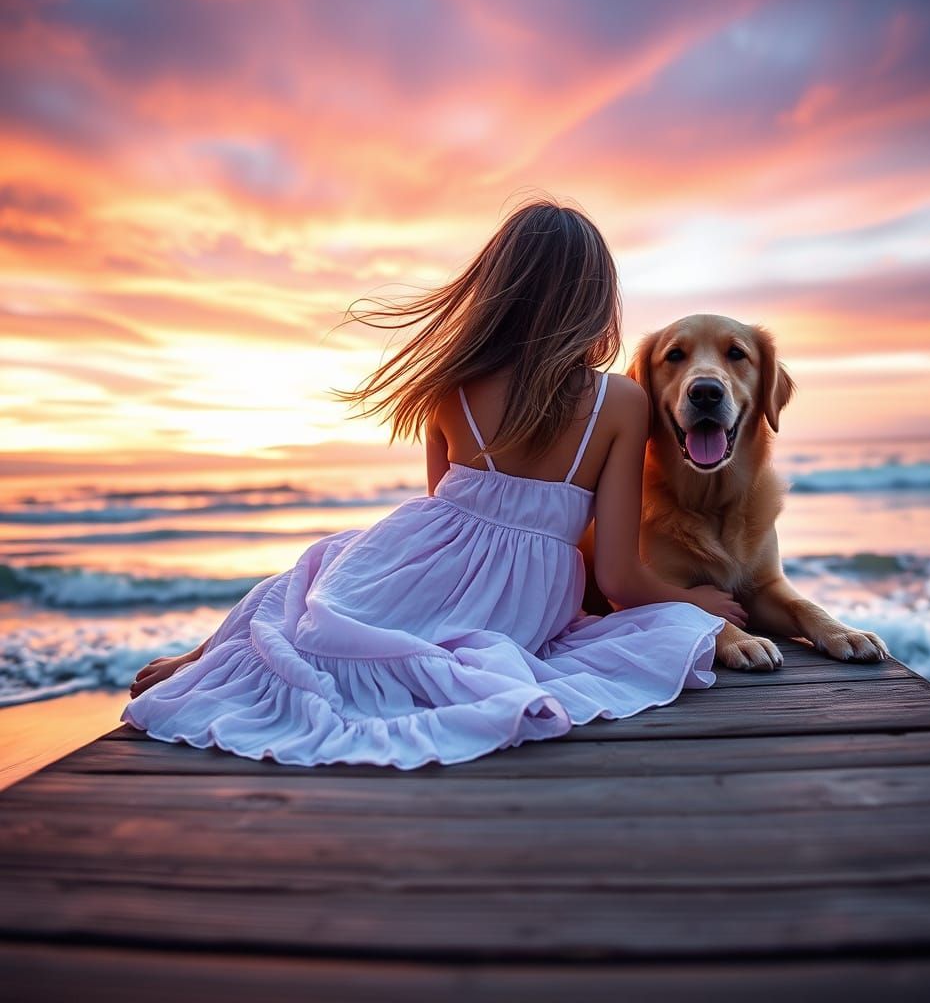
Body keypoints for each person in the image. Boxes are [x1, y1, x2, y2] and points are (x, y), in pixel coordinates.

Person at [122, 199, 747, 770]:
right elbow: (617, 577)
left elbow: (436, 516)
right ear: (597, 299)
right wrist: (693, 601)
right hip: (514, 607)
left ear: (498, 287)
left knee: (311, 583)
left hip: (407, 562)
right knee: (357, 612)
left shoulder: (452, 383)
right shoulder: (620, 400)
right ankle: (205, 663)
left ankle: (206, 662)